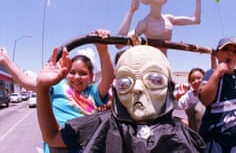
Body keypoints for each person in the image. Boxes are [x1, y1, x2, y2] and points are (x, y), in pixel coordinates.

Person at [36, 45, 206, 152]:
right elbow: (52, 137)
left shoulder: (181, 132)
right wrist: (42, 88)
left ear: (168, 87)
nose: (138, 88)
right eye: (126, 82)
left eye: (154, 80)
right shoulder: (101, 125)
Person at [1, 29, 114, 153]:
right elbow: (26, 81)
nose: (76, 77)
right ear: (65, 73)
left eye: (83, 73)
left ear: (91, 76)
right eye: (72, 72)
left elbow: (108, 78)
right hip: (57, 144)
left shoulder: (93, 92)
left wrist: (102, 49)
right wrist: (5, 60)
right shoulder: (57, 86)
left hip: (83, 145)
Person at [116, 0, 201, 55]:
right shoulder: (145, 23)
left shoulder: (169, 19)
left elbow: (196, 20)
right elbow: (119, 44)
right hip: (152, 66)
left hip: (165, 65)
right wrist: (132, 10)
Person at [198, 36, 236, 153]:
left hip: (234, 139)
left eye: (235, 51)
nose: (230, 53)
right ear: (217, 55)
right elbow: (205, 100)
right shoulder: (212, 74)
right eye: (225, 49)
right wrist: (217, 74)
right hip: (216, 140)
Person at [175, 67, 206, 132]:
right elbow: (176, 106)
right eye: (192, 80)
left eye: (199, 78)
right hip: (196, 131)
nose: (196, 81)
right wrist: (178, 96)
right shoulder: (189, 96)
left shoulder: (210, 93)